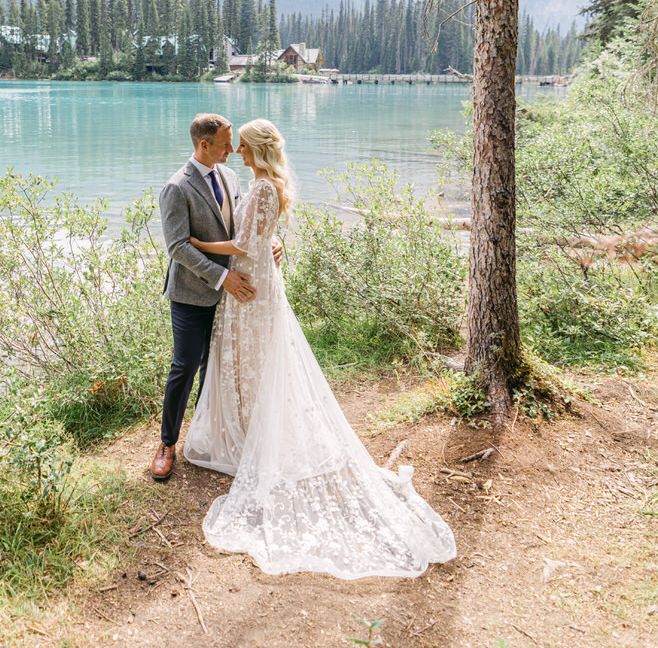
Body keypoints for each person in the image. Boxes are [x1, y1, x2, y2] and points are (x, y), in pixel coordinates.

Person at [182, 119, 457, 578]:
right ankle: (251, 431)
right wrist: (267, 245)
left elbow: (245, 241)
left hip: (253, 287)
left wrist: (198, 242)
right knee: (251, 363)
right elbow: (260, 236)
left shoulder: (264, 187)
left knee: (259, 362)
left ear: (256, 149)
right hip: (254, 280)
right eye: (234, 146)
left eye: (243, 147)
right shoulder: (259, 183)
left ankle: (261, 437)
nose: (237, 152)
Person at [151, 113, 279, 482]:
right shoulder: (176, 187)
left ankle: (210, 434)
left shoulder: (233, 177)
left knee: (219, 367)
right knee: (185, 366)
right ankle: (167, 443)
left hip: (232, 295)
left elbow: (247, 225)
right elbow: (178, 248)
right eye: (226, 143)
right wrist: (222, 277)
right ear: (203, 145)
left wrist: (272, 240)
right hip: (193, 294)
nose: (233, 149)